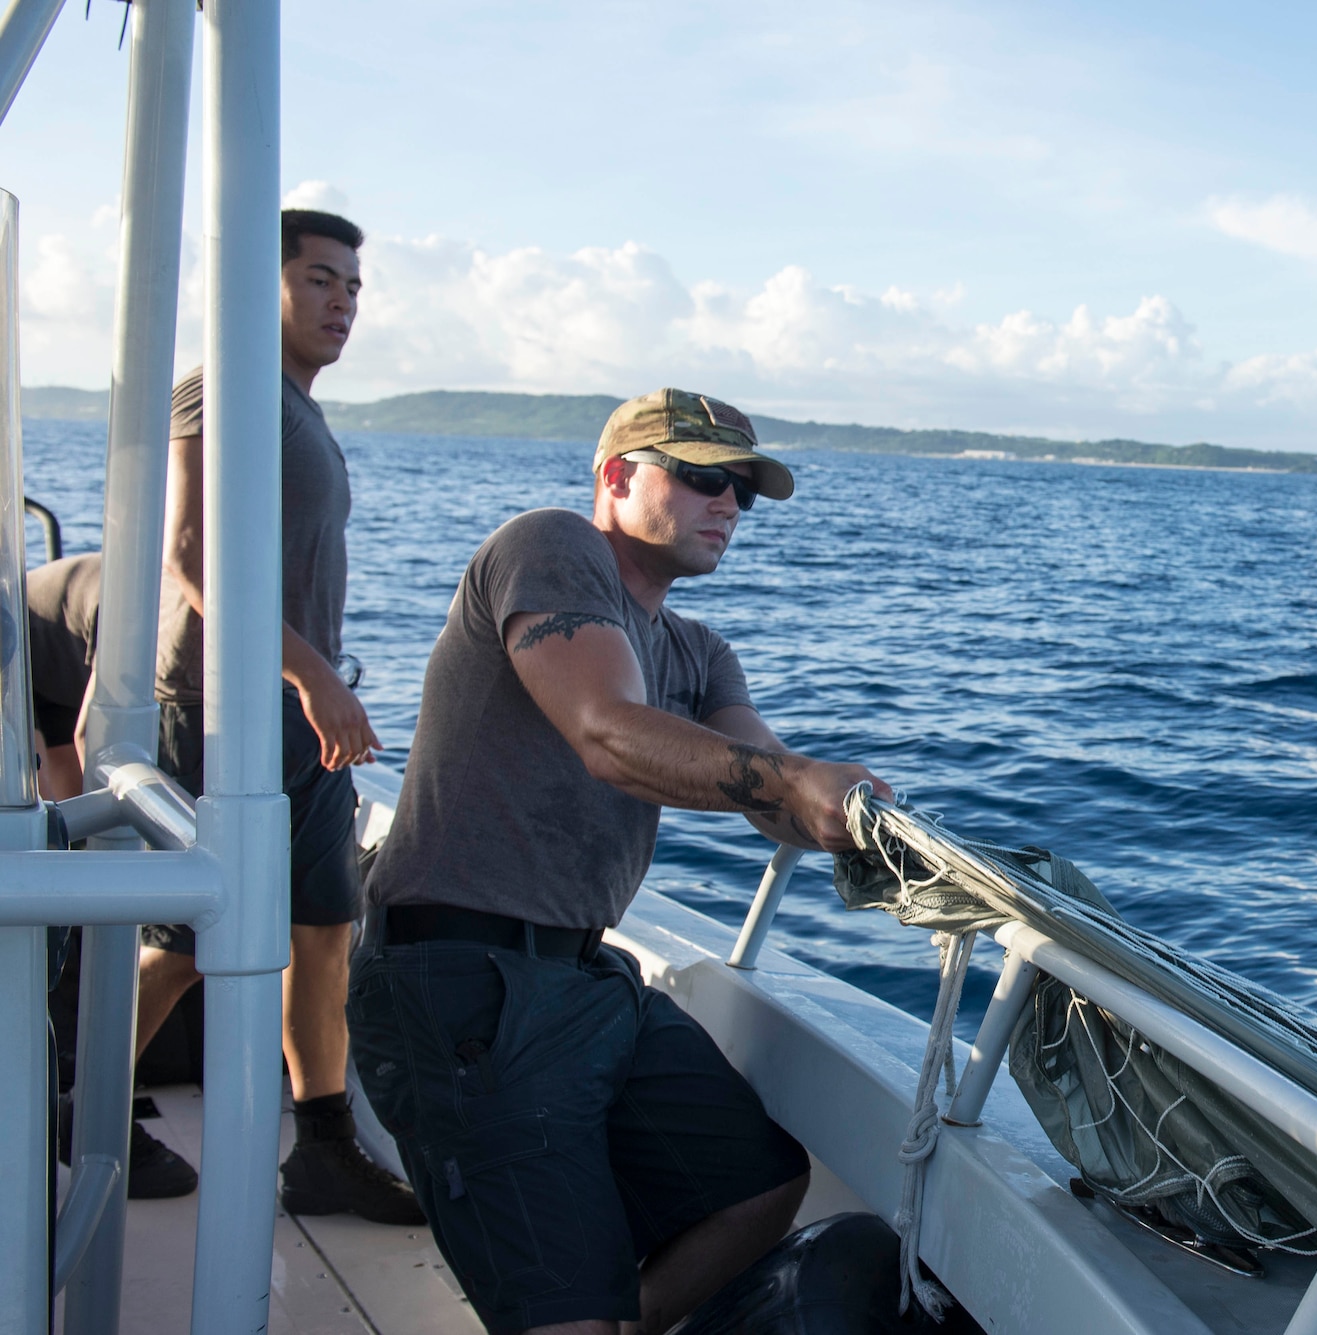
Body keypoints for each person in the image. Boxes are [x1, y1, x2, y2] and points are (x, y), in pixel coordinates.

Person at [351, 388, 891, 1334]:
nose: (727, 503)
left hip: (587, 978)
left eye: (743, 492)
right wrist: (795, 779)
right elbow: (607, 732)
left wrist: (864, 826)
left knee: (759, 1184)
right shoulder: (550, 546)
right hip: (459, 982)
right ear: (615, 475)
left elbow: (769, 795)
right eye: (701, 477)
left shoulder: (699, 650)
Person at [139, 208, 422, 1225]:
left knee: (324, 929)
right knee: (184, 937)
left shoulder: (298, 405)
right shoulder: (224, 386)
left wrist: (313, 687)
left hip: (299, 715)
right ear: (260, 287)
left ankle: (325, 1150)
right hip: (225, 709)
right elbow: (190, 560)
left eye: (352, 285)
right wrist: (312, 678)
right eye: (318, 279)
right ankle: (77, 1102)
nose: (341, 301)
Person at [26, 550, 200, 1199]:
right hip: (33, 652)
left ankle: (79, 1063)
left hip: (63, 651)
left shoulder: (153, 605)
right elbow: (96, 744)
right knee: (75, 838)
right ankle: (86, 1090)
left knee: (85, 848)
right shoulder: (144, 610)